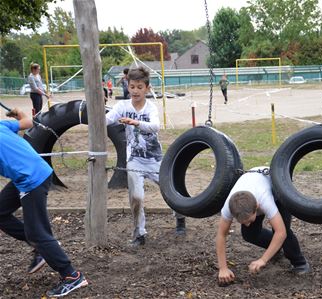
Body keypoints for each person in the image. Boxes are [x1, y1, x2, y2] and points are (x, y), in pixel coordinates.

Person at [0, 108, 88, 297]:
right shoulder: (1, 125)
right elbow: (28, 122)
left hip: (31, 180)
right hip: (32, 173)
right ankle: (40, 249)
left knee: (37, 233)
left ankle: (72, 276)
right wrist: (19, 113)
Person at [106, 67, 186, 246]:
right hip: (134, 160)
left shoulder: (150, 108)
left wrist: (135, 122)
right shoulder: (122, 106)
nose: (135, 90)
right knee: (136, 197)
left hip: (154, 159)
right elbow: (107, 119)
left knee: (170, 190)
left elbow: (155, 126)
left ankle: (180, 218)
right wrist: (93, 112)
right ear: (128, 86)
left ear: (147, 89)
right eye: (132, 86)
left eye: (139, 87)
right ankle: (139, 234)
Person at [216, 166, 310, 285]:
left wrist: (263, 260)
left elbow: (280, 232)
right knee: (249, 234)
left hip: (277, 186)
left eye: (249, 220)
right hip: (252, 188)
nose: (247, 224)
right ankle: (275, 248)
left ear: (257, 207)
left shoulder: (265, 201)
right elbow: (221, 235)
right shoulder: (228, 207)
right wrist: (223, 268)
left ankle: (299, 262)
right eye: (243, 222)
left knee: (284, 231)